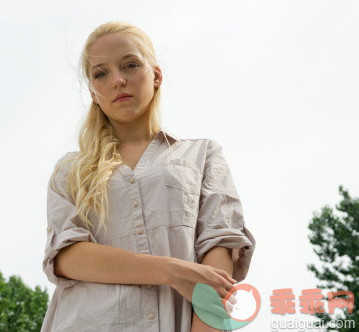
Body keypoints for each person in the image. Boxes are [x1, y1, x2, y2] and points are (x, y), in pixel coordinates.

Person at [41, 21, 256, 331]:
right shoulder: (69, 171)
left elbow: (219, 250)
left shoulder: (203, 156)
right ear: (92, 92)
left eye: (130, 65)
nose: (117, 80)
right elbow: (67, 257)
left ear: (156, 75)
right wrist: (171, 271)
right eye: (100, 73)